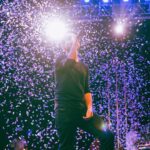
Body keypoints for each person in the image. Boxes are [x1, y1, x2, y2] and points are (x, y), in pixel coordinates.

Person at [54, 33, 114, 150]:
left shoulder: (84, 67)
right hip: (64, 109)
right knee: (67, 146)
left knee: (107, 136)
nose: (72, 42)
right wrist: (73, 41)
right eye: (69, 41)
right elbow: (69, 62)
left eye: (74, 41)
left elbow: (87, 90)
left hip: (81, 109)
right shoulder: (60, 60)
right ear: (64, 46)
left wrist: (89, 108)